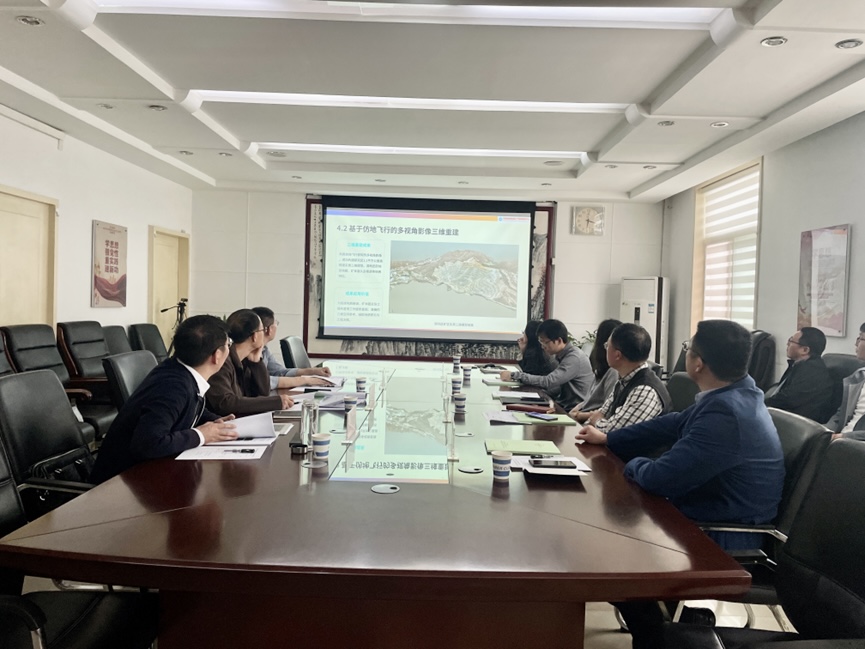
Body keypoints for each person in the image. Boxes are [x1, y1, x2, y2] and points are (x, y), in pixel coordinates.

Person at [579, 319, 785, 649]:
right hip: (708, 512)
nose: (685, 353)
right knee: (610, 534)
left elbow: (659, 478)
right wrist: (609, 439)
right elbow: (673, 423)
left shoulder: (727, 414)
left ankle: (654, 636)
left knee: (612, 551)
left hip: (727, 533)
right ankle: (663, 622)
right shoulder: (735, 394)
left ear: (698, 363)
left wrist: (630, 463)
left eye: (688, 348)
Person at [91, 315, 239, 484]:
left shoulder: (177, 369)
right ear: (217, 355)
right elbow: (148, 444)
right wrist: (201, 435)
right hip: (119, 484)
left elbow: (182, 407)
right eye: (228, 344)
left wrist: (214, 422)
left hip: (147, 476)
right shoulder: (173, 386)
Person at [208, 310, 322, 417]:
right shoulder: (223, 361)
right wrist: (275, 402)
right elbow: (226, 403)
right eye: (262, 330)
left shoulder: (246, 359)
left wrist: (256, 363)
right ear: (255, 336)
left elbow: (263, 392)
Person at [573, 323, 671, 437]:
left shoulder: (645, 390)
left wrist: (597, 421)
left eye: (607, 346)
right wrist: (598, 420)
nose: (605, 349)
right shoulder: (625, 379)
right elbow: (602, 413)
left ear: (617, 355)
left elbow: (614, 432)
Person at [499, 319, 593, 410]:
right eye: (540, 342)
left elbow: (549, 381)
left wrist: (514, 375)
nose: (542, 346)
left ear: (559, 341)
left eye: (545, 342)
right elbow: (557, 387)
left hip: (574, 410)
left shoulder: (574, 358)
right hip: (562, 404)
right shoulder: (562, 355)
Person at [763, 327, 835, 423]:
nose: (787, 344)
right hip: (786, 415)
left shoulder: (812, 370)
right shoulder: (800, 365)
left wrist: (760, 404)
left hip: (800, 422)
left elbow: (788, 399)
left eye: (791, 341)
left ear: (805, 350)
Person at [251, 306, 332, 389]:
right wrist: (304, 380)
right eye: (276, 323)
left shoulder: (264, 350)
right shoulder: (249, 352)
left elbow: (280, 372)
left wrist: (313, 371)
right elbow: (263, 382)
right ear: (269, 330)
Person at [570, 318, 621, 413]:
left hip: (590, 418)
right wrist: (577, 410)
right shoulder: (601, 367)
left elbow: (607, 410)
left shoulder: (614, 371)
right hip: (583, 413)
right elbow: (589, 399)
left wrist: (578, 415)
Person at [827, 322, 865, 436]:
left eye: (860, 338)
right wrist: (824, 432)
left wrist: (843, 437)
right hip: (841, 439)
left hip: (855, 443)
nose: (856, 343)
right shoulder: (859, 377)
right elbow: (839, 416)